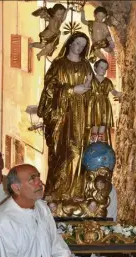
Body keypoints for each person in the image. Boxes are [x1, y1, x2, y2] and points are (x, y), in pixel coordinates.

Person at [38, 32, 93, 202]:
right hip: (61, 116)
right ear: (70, 43)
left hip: (80, 115)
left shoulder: (86, 65)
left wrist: (87, 90)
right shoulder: (59, 64)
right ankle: (56, 192)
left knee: (78, 151)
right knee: (61, 153)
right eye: (77, 43)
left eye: (83, 45)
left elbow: (92, 90)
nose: (79, 48)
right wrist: (70, 90)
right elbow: (49, 89)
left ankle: (75, 191)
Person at [87, 59, 122, 144]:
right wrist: (88, 80)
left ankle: (101, 143)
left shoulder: (107, 81)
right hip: (94, 105)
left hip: (104, 106)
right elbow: (85, 88)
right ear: (95, 68)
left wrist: (120, 94)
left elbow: (113, 92)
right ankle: (93, 145)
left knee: (103, 126)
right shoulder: (91, 80)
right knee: (94, 126)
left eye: (105, 68)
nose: (103, 70)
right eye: (101, 67)